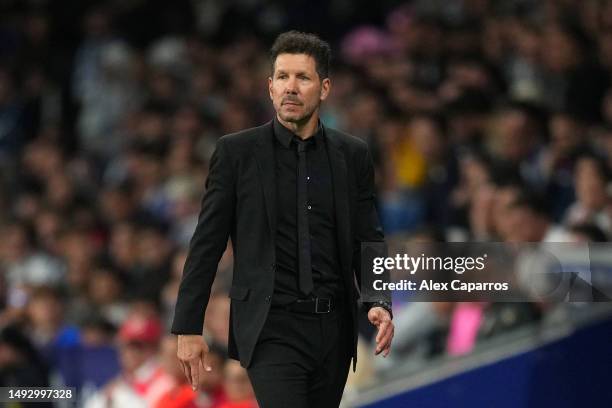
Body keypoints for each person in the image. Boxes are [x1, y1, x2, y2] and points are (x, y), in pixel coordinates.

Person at [171, 31, 394, 408]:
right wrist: (188, 326)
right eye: (282, 77)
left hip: (334, 330)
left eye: (302, 78)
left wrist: (379, 300)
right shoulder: (236, 153)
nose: (291, 87)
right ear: (270, 87)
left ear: (324, 88)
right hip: (270, 327)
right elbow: (207, 243)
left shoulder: (352, 155)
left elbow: (367, 238)